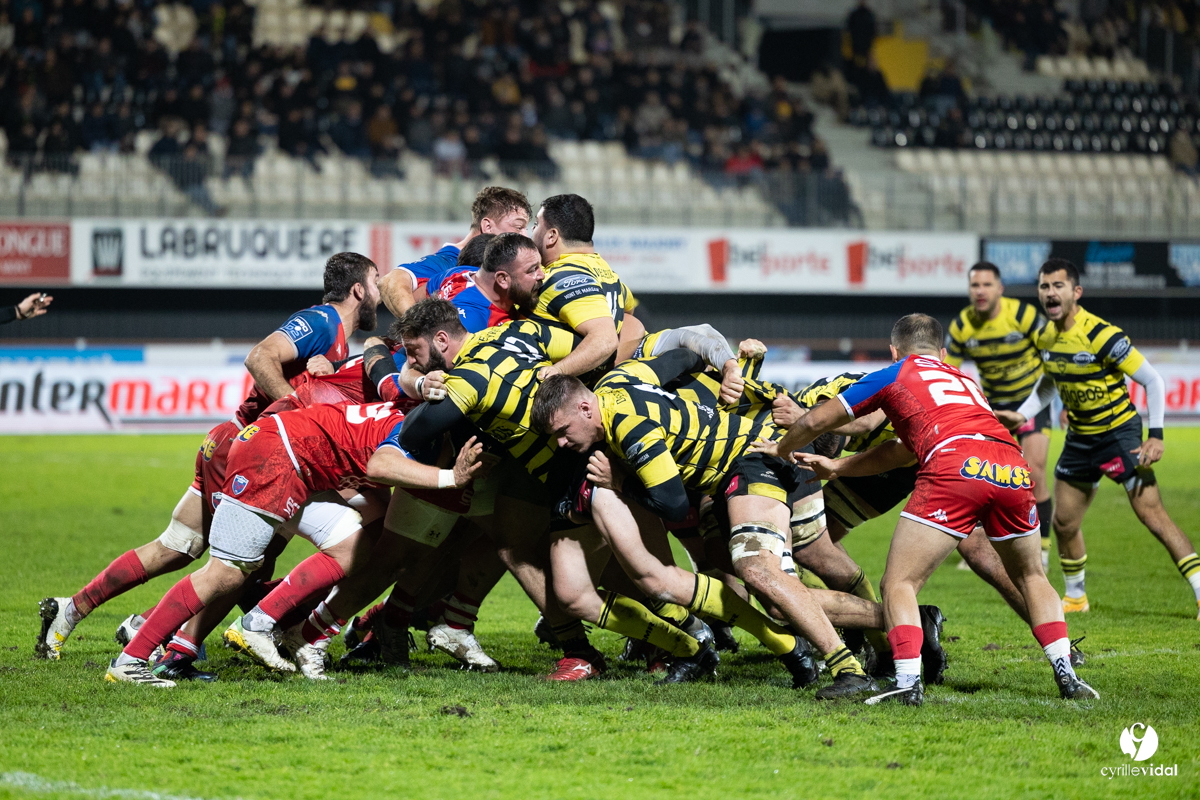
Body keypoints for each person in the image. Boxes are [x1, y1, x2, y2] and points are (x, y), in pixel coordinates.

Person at [37, 254, 380, 660]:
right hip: (248, 450)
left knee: (178, 546)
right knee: (242, 566)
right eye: (377, 280)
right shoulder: (323, 321)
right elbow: (259, 358)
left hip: (230, 443)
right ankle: (169, 641)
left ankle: (72, 610)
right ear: (358, 290)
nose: (382, 290)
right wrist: (298, 409)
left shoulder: (338, 340)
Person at [754, 313, 1098, 705]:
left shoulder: (895, 373)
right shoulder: (967, 382)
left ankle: (906, 681)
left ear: (894, 350)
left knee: (899, 583)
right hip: (1011, 467)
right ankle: (1067, 673)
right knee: (1033, 575)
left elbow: (817, 419)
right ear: (944, 352)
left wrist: (780, 448)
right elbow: (902, 450)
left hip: (954, 468)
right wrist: (839, 468)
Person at [530, 352, 882, 699]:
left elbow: (673, 504)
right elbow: (683, 356)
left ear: (585, 409)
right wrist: (728, 367)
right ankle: (904, 624)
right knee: (769, 593)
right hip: (741, 462)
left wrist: (620, 483)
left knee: (759, 571)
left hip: (753, 458)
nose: (561, 443)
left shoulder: (632, 427)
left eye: (563, 431)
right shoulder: (616, 381)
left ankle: (850, 667)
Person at [104, 400, 487, 687]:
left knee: (350, 546)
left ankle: (257, 622)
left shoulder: (413, 413)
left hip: (292, 461)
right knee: (224, 574)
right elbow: (378, 467)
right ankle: (131, 659)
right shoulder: (418, 434)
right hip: (275, 457)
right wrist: (450, 477)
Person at [997, 259, 1200, 620]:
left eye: (1058, 286)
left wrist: (1156, 435)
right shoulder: (1045, 336)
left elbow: (1153, 380)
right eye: (1044, 287)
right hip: (1080, 440)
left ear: (1076, 292)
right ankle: (1076, 597)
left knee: (1152, 516)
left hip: (1120, 436)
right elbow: (1048, 382)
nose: (1050, 293)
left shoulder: (1102, 334)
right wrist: (1023, 414)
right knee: (1063, 523)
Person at [946, 262, 1055, 567]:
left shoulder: (1023, 315)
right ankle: (981, 546)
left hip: (1030, 402)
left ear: (999, 289)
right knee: (982, 474)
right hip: (991, 407)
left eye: (986, 285)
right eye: (974, 285)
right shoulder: (961, 326)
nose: (979, 291)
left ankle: (1043, 549)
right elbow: (949, 372)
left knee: (1033, 470)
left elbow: (1056, 354)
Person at [378, 186, 531, 316]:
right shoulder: (451, 260)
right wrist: (419, 331)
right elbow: (390, 282)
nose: (525, 235)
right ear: (487, 227)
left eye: (526, 228)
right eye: (518, 227)